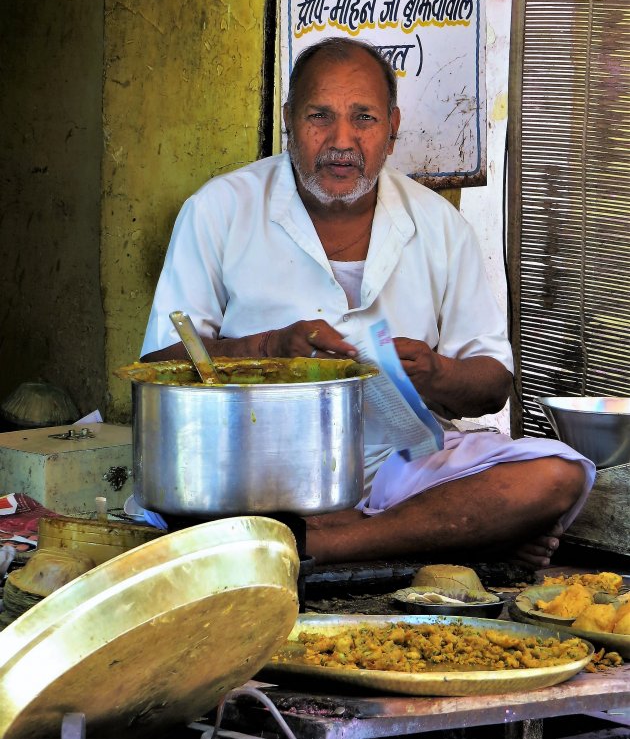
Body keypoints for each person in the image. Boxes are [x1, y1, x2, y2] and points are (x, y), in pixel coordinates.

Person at [141, 36, 595, 568]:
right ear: (288, 119)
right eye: (319, 116)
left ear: (393, 126)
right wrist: (269, 349)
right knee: (183, 511)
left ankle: (324, 544)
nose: (341, 140)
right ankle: (452, 537)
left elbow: (493, 384)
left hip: (406, 473)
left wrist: (436, 373)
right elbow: (158, 367)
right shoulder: (219, 209)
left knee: (555, 476)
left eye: (364, 118)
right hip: (256, 475)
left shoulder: (439, 226)